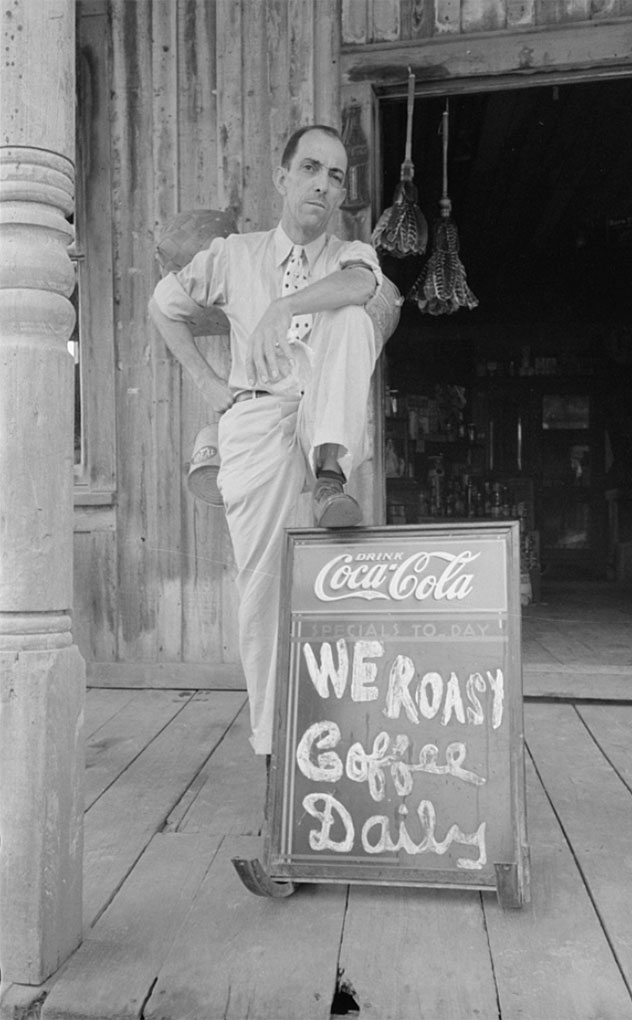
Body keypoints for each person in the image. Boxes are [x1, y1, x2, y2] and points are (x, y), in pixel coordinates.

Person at [149, 125, 383, 758]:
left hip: (325, 416)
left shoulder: (351, 254)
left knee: (352, 318)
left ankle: (330, 479)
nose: (322, 185)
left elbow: (363, 288)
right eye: (310, 168)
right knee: (263, 585)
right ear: (282, 177)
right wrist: (208, 383)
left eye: (335, 176)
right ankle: (276, 746)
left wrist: (285, 307)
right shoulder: (234, 254)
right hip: (256, 415)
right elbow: (163, 306)